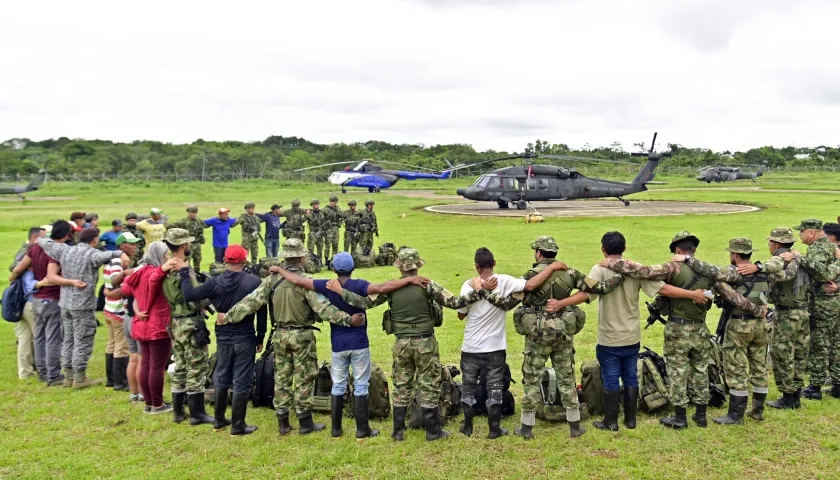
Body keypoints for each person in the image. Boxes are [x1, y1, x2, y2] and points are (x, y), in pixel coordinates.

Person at [599, 231, 766, 430]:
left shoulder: (673, 268)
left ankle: (680, 417)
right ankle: (701, 415)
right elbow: (730, 294)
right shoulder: (708, 271)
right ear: (693, 250)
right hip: (700, 328)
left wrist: (611, 263)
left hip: (678, 328)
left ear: (678, 250)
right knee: (701, 370)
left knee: (677, 371)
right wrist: (757, 309)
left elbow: (643, 271)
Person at [545, 232, 709, 431]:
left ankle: (611, 421)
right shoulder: (635, 269)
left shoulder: (600, 269)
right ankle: (630, 420)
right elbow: (663, 289)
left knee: (611, 377)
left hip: (609, 336)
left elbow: (586, 294)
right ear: (624, 248)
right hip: (632, 334)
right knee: (631, 376)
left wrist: (561, 303)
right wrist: (693, 294)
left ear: (603, 249)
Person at [333, 248, 489, 442]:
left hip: (401, 343)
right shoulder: (428, 284)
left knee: (401, 385)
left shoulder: (391, 287)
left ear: (399, 266)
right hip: (425, 342)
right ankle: (433, 431)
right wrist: (479, 292)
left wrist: (341, 292)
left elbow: (363, 302)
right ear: (418, 266)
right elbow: (456, 302)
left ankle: (398, 431)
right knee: (430, 385)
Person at [479, 236, 624, 439]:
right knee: (566, 377)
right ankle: (574, 426)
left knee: (531, 379)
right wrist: (620, 275)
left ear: (538, 253)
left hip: (536, 336)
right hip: (563, 332)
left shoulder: (530, 276)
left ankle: (526, 428)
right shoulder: (569, 273)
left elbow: (507, 304)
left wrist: (484, 293)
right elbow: (600, 288)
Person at [271, 252, 427, 439]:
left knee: (338, 385)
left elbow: (298, 281)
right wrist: (410, 280)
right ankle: (362, 430)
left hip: (338, 344)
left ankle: (336, 430)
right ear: (353, 268)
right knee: (361, 385)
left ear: (334, 269)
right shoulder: (359, 285)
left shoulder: (327, 285)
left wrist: (280, 269)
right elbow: (385, 287)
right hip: (359, 343)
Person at [220, 238, 365, 437]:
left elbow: (250, 302)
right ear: (301, 258)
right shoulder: (306, 281)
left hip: (280, 334)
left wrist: (227, 317)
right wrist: (349, 319)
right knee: (305, 376)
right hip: (302, 335)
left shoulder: (272, 280)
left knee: (282, 377)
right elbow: (324, 309)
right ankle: (305, 422)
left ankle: (283, 423)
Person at [455, 247, 577, 439]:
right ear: (494, 263)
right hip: (495, 347)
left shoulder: (468, 285)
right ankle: (494, 429)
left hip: (470, 346)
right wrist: (551, 268)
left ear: (476, 266)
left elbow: (461, 314)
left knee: (468, 388)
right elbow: (530, 285)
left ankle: (467, 426)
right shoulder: (504, 281)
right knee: (495, 388)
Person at [675, 238, 789, 424]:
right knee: (759, 367)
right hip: (761, 325)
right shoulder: (766, 272)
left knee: (736, 369)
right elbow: (782, 267)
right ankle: (757, 411)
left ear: (735, 255)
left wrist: (687, 259)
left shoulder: (735, 273)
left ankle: (735, 415)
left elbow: (710, 270)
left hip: (740, 324)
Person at [180, 243, 267, 435]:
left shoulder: (215, 282)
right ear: (244, 260)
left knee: (222, 376)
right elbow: (262, 311)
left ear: (225, 260)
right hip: (245, 335)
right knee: (242, 380)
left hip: (223, 336)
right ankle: (238, 424)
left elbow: (191, 295)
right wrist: (260, 336)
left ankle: (219, 419)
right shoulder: (254, 282)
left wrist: (185, 274)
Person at [38, 227, 127, 389]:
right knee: (82, 340)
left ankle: (68, 377)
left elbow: (43, 242)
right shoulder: (92, 254)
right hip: (83, 305)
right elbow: (108, 255)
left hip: (65, 303)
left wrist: (41, 237)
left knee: (68, 339)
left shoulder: (65, 250)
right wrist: (120, 253)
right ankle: (79, 378)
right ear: (94, 240)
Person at [113, 241, 180, 414]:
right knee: (156, 365)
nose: (168, 257)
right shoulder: (155, 273)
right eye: (165, 255)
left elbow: (126, 290)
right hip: (157, 324)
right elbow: (154, 279)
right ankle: (157, 404)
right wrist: (164, 269)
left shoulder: (139, 271)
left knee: (146, 363)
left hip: (141, 323)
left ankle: (149, 402)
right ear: (159, 256)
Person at [780, 219, 840, 400]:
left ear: (811, 232)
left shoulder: (819, 248)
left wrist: (799, 257)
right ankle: (837, 384)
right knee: (836, 344)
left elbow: (823, 274)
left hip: (822, 304)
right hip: (834, 302)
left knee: (819, 345)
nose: (800, 236)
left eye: (802, 232)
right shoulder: (831, 247)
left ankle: (815, 386)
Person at [9, 221, 72, 386]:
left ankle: (43, 373)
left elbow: (18, 268)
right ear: (66, 235)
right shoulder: (56, 251)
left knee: (40, 337)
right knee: (53, 338)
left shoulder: (35, 247)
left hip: (36, 299)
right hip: (52, 297)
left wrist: (13, 279)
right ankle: (54, 376)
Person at [102, 232, 142, 392]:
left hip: (109, 309)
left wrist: (108, 292)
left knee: (111, 345)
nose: (134, 247)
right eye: (130, 244)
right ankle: (120, 382)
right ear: (121, 245)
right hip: (118, 310)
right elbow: (117, 289)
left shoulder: (111, 261)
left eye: (135, 243)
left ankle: (111, 380)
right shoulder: (118, 264)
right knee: (121, 347)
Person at [7, 227, 43, 379]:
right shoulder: (31, 256)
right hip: (30, 302)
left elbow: (13, 271)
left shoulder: (22, 255)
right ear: (35, 238)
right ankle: (43, 370)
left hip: (18, 303)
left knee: (24, 339)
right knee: (40, 338)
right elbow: (30, 285)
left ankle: (25, 372)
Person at [166, 206, 208, 270]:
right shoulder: (183, 221)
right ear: (188, 213)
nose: (193, 214)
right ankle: (186, 272)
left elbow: (206, 225)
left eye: (195, 212)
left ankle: (197, 274)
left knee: (198, 260)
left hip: (197, 244)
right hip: (188, 244)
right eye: (192, 212)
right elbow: (169, 226)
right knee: (186, 259)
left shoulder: (199, 221)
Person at [304, 200, 327, 264]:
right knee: (311, 249)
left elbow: (324, 222)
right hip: (312, 233)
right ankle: (310, 263)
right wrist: (306, 214)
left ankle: (320, 263)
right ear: (312, 206)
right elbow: (302, 220)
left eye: (317, 204)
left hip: (320, 233)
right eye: (314, 204)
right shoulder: (309, 214)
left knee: (320, 249)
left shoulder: (321, 213)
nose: (316, 206)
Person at [323, 196, 342, 265]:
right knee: (327, 245)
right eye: (331, 201)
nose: (332, 203)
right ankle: (326, 259)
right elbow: (322, 219)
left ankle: (335, 259)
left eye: (334, 202)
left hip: (335, 228)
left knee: (335, 244)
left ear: (336, 202)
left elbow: (341, 216)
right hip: (328, 229)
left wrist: (339, 223)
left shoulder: (338, 208)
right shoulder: (325, 209)